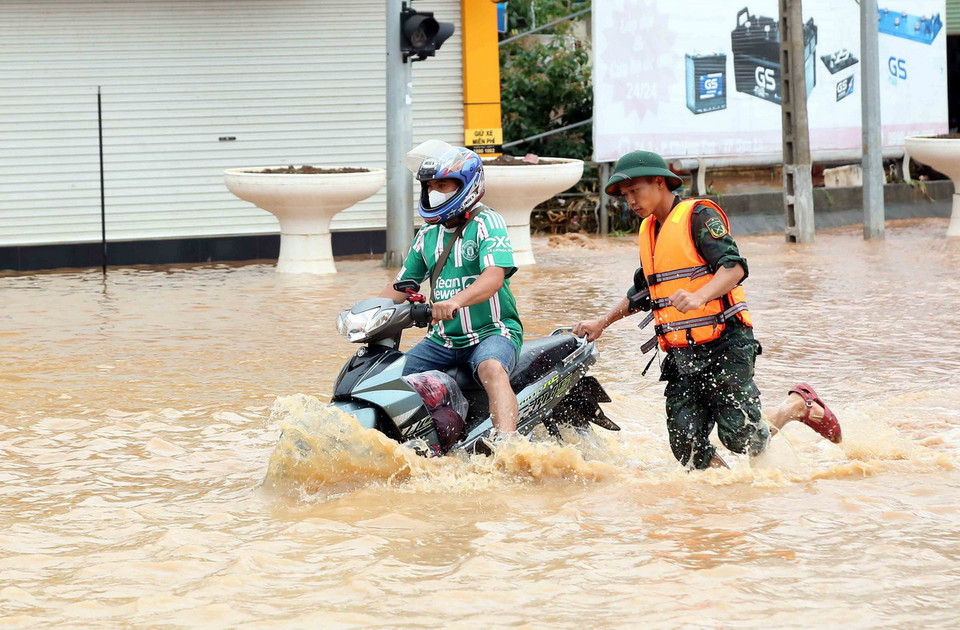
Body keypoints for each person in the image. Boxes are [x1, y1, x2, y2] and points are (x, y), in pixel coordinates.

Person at [573, 150, 842, 470]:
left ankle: (796, 405)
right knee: (686, 444)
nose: (630, 200)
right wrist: (601, 323)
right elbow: (642, 293)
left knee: (740, 437)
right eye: (625, 195)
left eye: (635, 190)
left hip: (725, 342)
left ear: (660, 183)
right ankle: (721, 508)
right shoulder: (649, 231)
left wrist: (700, 296)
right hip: (681, 354)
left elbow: (734, 268)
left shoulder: (698, 216)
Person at [379, 145, 523, 437]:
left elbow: (493, 277)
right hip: (442, 340)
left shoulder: (487, 222)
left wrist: (455, 301)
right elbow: (401, 287)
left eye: (442, 185)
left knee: (492, 368)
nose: (435, 192)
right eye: (430, 187)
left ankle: (509, 446)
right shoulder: (426, 235)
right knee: (390, 380)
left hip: (492, 332)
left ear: (466, 185)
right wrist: (367, 315)